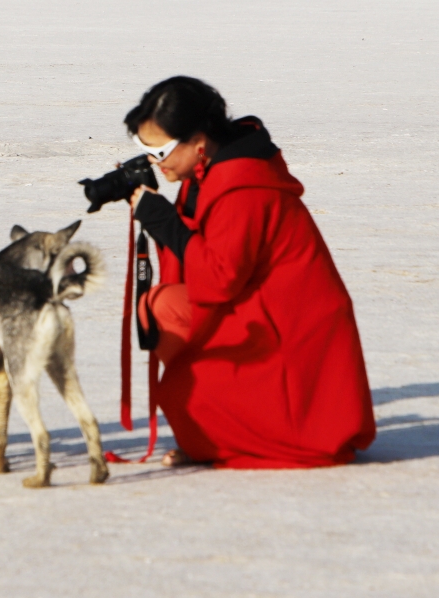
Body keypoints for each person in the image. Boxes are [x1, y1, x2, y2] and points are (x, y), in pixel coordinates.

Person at [126, 76, 376, 468]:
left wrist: (167, 224)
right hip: (267, 316)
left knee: (164, 311)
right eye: (143, 149)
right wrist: (167, 222)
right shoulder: (214, 173)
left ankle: (222, 434)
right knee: (162, 308)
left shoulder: (244, 189)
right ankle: (209, 431)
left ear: (199, 142)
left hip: (291, 338)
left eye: (161, 150)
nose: (155, 161)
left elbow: (218, 278)